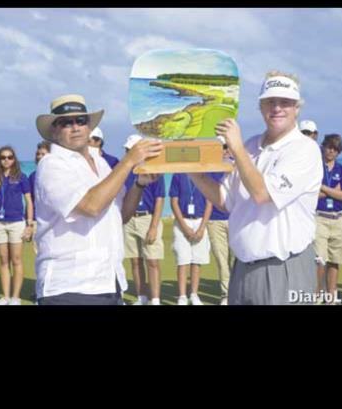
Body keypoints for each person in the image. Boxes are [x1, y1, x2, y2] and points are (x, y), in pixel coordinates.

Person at [188, 70, 323, 305]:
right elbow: (224, 200)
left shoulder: (304, 149)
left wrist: (237, 149)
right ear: (261, 107)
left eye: (285, 102)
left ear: (297, 108)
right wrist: (192, 172)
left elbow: (262, 194)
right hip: (242, 268)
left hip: (284, 269)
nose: (277, 108)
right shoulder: (250, 146)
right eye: (270, 101)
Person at [32, 94, 163, 305]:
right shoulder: (51, 164)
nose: (75, 127)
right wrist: (129, 161)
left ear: (89, 127)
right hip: (69, 288)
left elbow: (121, 216)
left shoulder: (101, 163)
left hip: (109, 282)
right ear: (54, 130)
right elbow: (90, 206)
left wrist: (139, 184)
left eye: (81, 121)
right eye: (66, 123)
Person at [121, 134, 166, 305]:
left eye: (129, 149)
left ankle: (155, 299)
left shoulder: (154, 169)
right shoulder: (125, 170)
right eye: (126, 149)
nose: (127, 152)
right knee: (135, 260)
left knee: (152, 261)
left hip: (147, 218)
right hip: (129, 219)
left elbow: (160, 199)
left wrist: (154, 226)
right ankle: (142, 297)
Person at [0, 145, 34, 305]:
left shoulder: (21, 177)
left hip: (17, 223)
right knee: (3, 260)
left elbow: (28, 200)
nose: (6, 160)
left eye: (9, 157)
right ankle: (6, 297)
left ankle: (15, 297)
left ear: (14, 159)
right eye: (3, 157)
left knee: (16, 259)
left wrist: (29, 224)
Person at [312, 134, 342, 305]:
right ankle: (317, 293)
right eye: (329, 147)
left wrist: (324, 188)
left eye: (335, 148)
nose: (331, 151)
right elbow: (311, 196)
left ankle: (331, 295)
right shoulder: (314, 168)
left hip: (338, 218)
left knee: (335, 260)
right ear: (323, 147)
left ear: (339, 151)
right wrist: (332, 190)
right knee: (319, 260)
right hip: (319, 217)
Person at [169, 173, 211, 305]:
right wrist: (184, 227)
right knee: (183, 260)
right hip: (183, 221)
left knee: (196, 261)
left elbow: (210, 202)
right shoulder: (178, 175)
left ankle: (194, 295)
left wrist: (202, 228)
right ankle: (182, 296)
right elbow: (174, 201)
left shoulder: (205, 175)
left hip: (199, 221)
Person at [206, 151, 233, 305]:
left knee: (239, 259)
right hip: (215, 221)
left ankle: (238, 291)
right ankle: (226, 294)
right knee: (222, 260)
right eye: (221, 147)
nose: (225, 150)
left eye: (227, 146)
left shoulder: (238, 166)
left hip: (236, 219)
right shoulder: (211, 168)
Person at [27, 141, 51, 255]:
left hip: (53, 220)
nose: (40, 157)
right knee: (39, 253)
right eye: (38, 154)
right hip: (38, 220)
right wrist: (29, 222)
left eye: (43, 154)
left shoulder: (57, 174)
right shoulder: (32, 176)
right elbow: (30, 200)